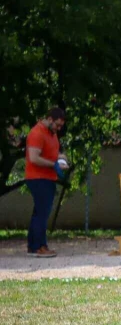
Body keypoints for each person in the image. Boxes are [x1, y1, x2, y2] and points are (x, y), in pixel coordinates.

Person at [24, 107, 67, 258]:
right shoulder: (37, 133)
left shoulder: (52, 134)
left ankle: (32, 246)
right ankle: (40, 246)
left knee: (39, 213)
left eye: (61, 126)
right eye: (57, 125)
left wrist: (61, 159)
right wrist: (53, 164)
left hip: (48, 178)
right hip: (38, 178)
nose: (59, 128)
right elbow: (34, 158)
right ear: (49, 119)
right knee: (42, 214)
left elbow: (56, 152)